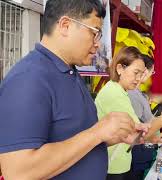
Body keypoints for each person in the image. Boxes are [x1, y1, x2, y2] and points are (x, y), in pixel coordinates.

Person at [0, 1, 147, 179]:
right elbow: (18, 172)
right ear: (65, 25)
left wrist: (113, 134)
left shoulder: (70, 73)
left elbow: (73, 141)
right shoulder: (29, 79)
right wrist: (97, 132)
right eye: (94, 33)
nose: (97, 44)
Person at [95, 47, 162, 180]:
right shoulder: (114, 93)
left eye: (141, 74)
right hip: (112, 165)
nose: (139, 79)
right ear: (120, 69)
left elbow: (136, 130)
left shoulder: (120, 91)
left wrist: (151, 136)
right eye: (136, 73)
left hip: (120, 160)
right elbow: (135, 134)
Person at [128, 55, 162, 180]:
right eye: (152, 71)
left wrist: (157, 137)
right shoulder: (133, 94)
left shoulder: (139, 93)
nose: (151, 75)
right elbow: (138, 130)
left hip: (143, 151)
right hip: (136, 155)